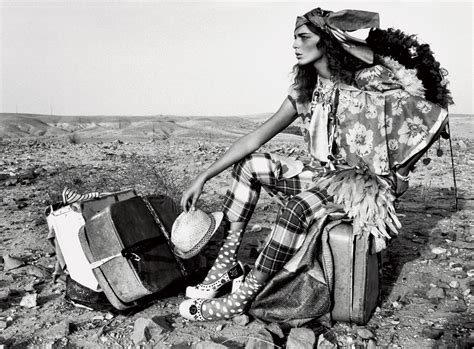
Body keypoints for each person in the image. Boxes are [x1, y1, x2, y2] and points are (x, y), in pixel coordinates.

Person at [178, 7, 452, 321]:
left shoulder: (364, 83)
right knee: (250, 165)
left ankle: (240, 299)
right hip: (323, 175)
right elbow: (254, 139)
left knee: (297, 208)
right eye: (294, 37)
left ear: (327, 42)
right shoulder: (305, 92)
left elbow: (427, 110)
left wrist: (401, 170)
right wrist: (203, 175)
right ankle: (224, 268)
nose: (295, 44)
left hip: (358, 186)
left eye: (303, 37)